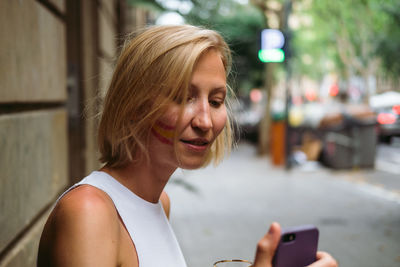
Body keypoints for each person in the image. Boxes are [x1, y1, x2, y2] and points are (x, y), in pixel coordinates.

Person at [37, 24, 337, 267]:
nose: (205, 121)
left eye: (216, 101)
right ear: (134, 105)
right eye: (183, 97)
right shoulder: (90, 211)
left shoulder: (160, 202)